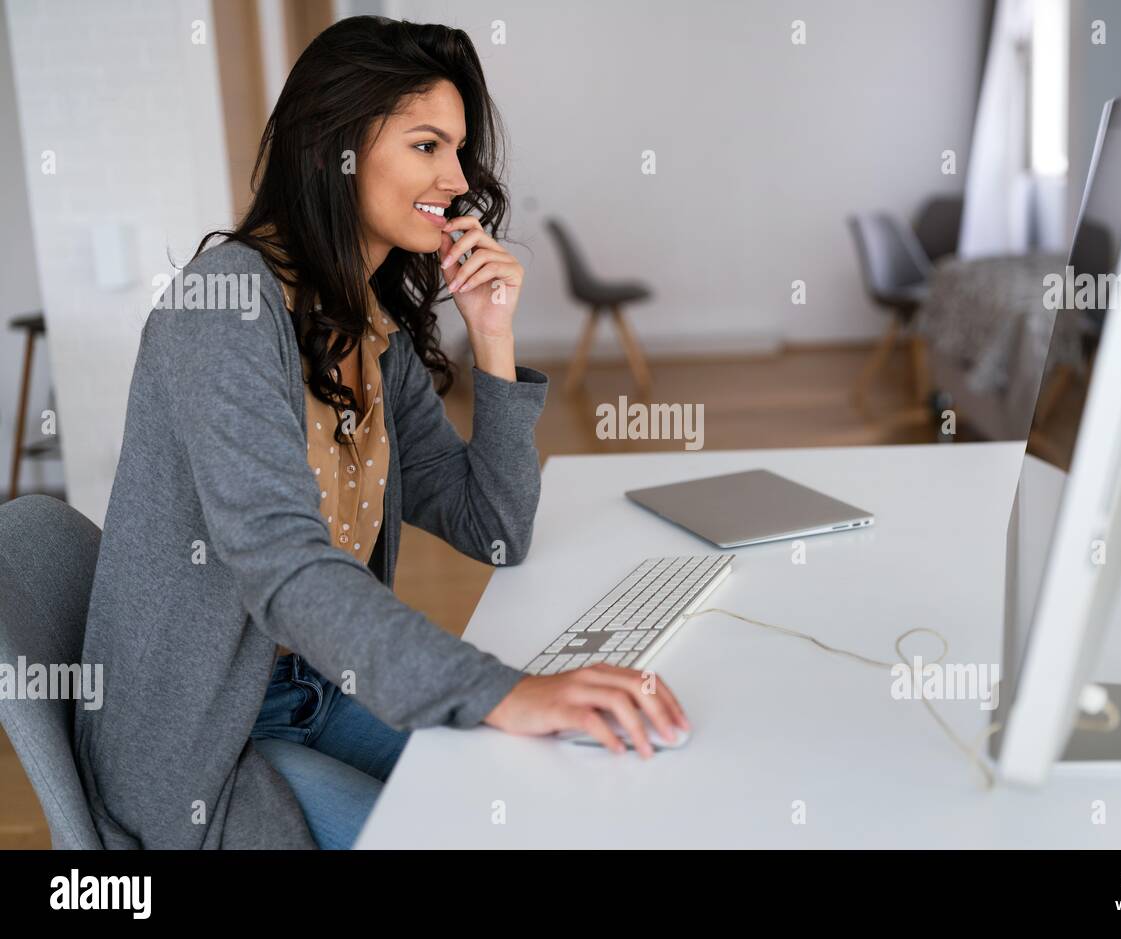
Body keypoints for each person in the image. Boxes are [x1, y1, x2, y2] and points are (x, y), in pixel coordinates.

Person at [73, 16, 688, 850]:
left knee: (537, 799)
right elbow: (284, 562)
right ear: (338, 148)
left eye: (459, 150)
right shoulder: (219, 308)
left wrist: (494, 337)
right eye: (429, 146)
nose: (460, 178)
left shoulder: (369, 326)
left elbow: (494, 527)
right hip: (203, 743)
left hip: (319, 689)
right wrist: (505, 691)